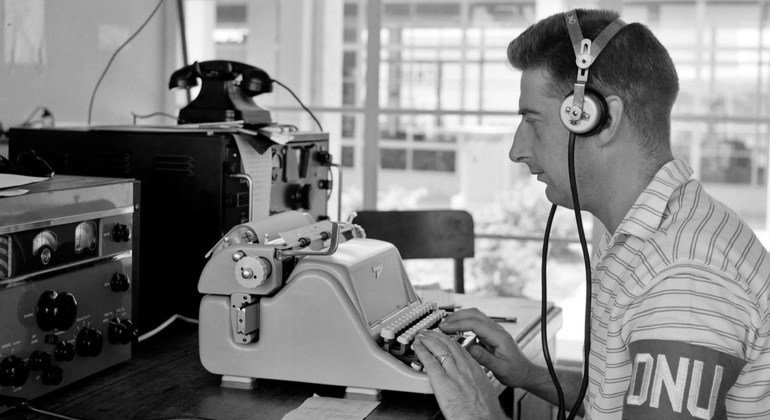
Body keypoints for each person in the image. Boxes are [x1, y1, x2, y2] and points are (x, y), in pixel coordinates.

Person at [412, 8, 770, 420]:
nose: (517, 150)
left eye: (532, 121)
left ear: (600, 119)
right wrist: (528, 374)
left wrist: (478, 411)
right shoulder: (650, 236)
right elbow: (621, 400)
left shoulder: (684, 281)